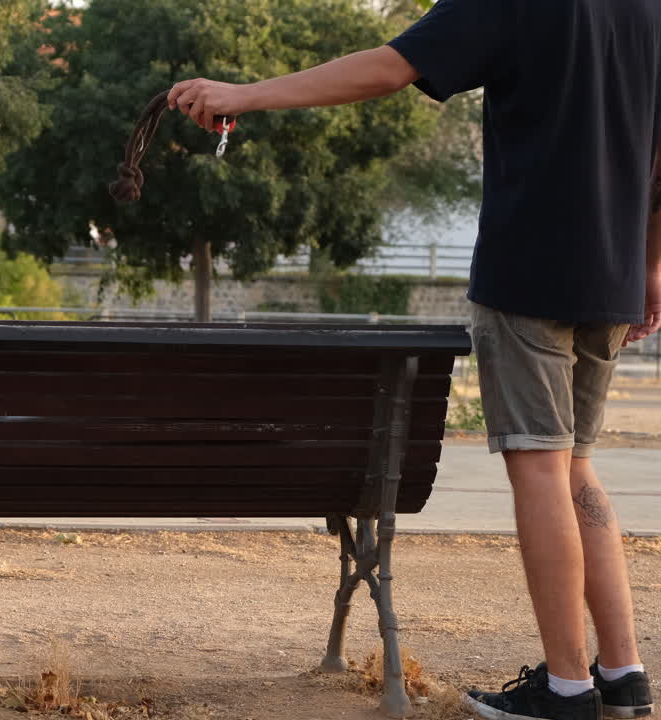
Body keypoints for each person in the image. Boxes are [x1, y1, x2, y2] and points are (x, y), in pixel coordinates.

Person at [167, 2, 658, 719]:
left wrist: (243, 95)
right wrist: (648, 266)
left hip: (531, 271)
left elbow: (390, 67)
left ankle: (567, 689)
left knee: (542, 465)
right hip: (610, 274)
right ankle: (623, 675)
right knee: (577, 463)